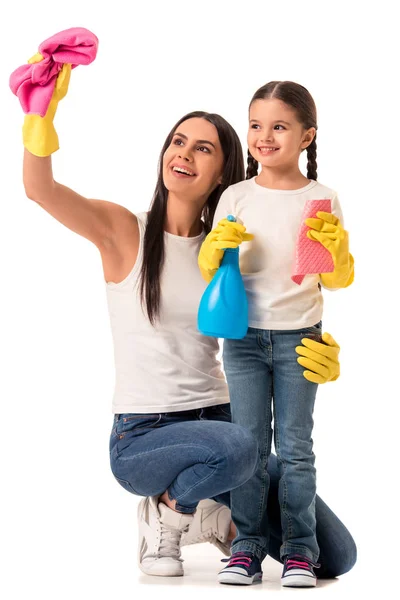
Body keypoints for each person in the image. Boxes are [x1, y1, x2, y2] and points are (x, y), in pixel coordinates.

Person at [16, 55, 355, 581]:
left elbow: (287, 296)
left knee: (336, 554)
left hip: (220, 424)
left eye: (203, 148)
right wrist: (41, 120)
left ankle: (214, 513)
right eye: (178, 141)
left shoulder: (235, 245)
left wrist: (317, 349)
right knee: (245, 443)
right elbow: (41, 191)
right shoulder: (124, 230)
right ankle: (170, 513)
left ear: (225, 169)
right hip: (145, 435)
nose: (185, 154)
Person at [199, 81, 354, 587]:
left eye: (279, 127)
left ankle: (301, 552)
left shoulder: (322, 198)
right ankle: (246, 546)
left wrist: (340, 256)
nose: (264, 136)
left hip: (300, 339)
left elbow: (333, 277)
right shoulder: (235, 195)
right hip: (242, 340)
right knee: (246, 444)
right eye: (256, 125)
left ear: (307, 136)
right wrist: (211, 251)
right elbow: (214, 274)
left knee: (295, 446)